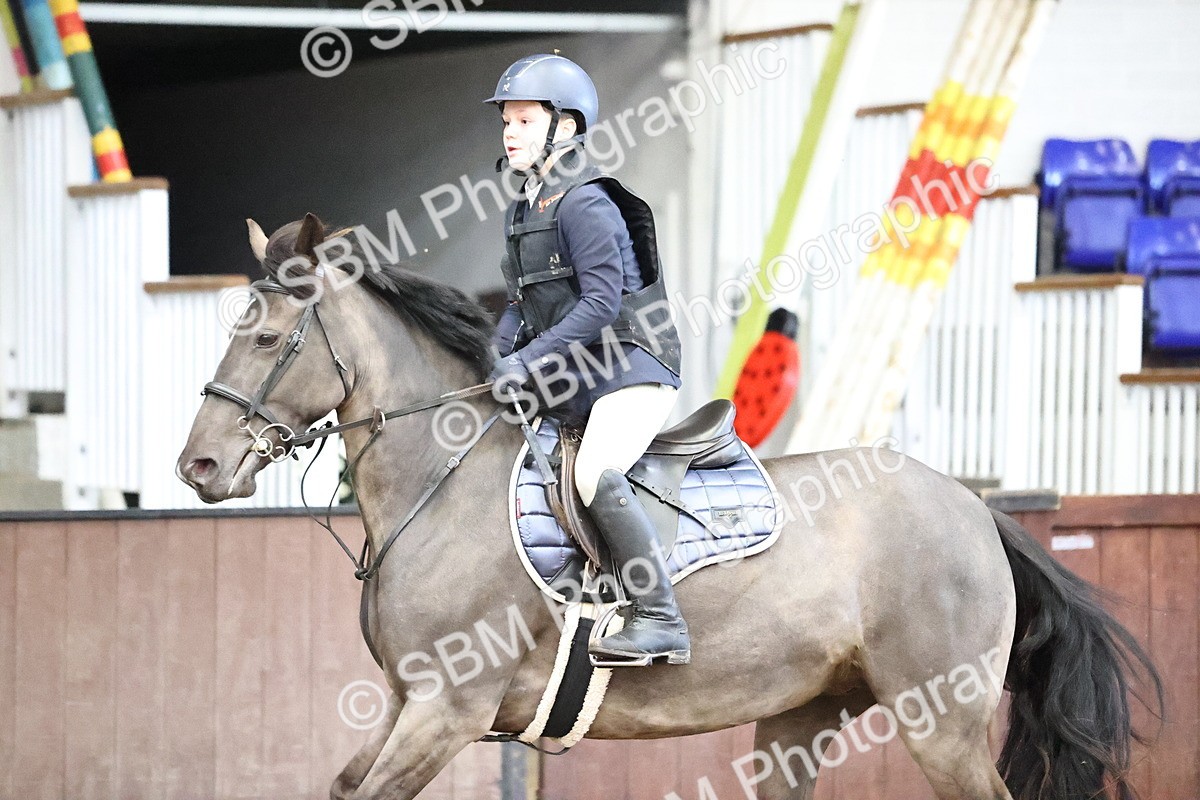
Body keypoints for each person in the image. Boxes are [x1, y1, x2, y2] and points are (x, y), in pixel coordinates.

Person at [483, 53, 690, 665]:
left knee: (593, 469)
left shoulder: (586, 203)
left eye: (522, 120)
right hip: (576, 374)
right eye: (506, 123)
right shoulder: (525, 208)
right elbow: (523, 306)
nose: (509, 132)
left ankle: (660, 617)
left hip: (633, 367)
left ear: (565, 127)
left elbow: (601, 303)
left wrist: (527, 364)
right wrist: (490, 358)